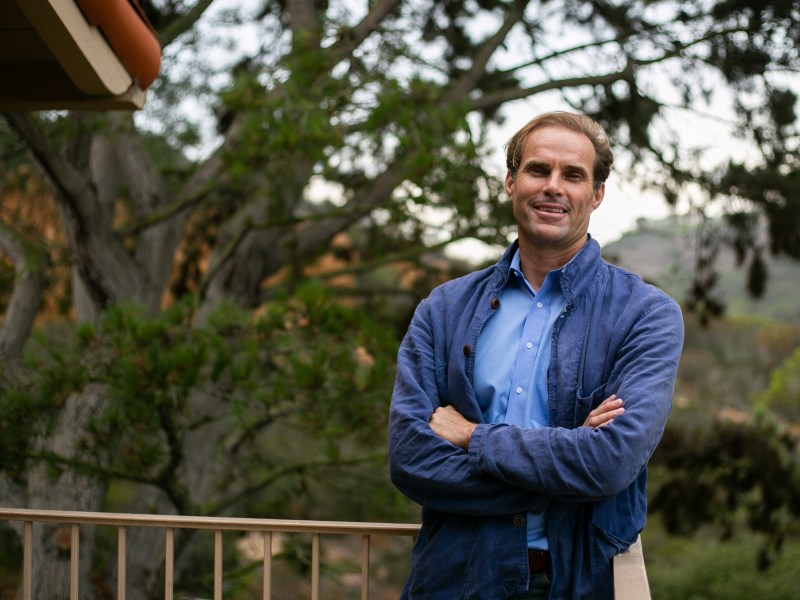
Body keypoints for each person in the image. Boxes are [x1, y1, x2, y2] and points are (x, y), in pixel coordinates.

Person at [388, 111, 684, 599]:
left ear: (597, 194)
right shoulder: (443, 309)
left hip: (576, 584)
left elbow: (610, 463)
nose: (553, 187)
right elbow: (410, 459)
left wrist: (472, 437)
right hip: (452, 581)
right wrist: (567, 467)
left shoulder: (646, 315)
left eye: (573, 175)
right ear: (511, 182)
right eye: (538, 170)